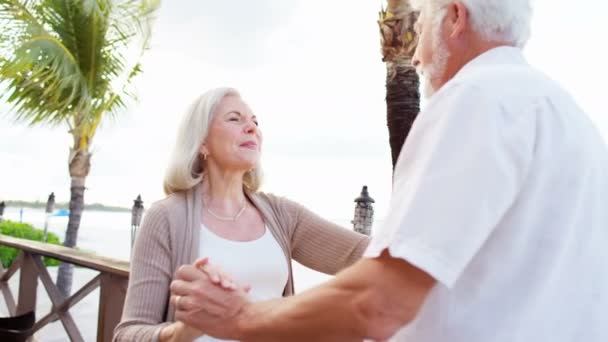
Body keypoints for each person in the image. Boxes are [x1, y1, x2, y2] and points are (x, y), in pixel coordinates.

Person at [169, 0, 608, 341]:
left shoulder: (474, 99)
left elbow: (378, 303)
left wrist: (241, 316)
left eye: (421, 27)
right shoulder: (576, 122)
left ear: (454, 18)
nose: (415, 57)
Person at [112, 87, 370, 341]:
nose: (252, 128)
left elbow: (369, 254)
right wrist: (181, 332)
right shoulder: (166, 217)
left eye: (255, 122)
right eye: (235, 119)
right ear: (201, 142)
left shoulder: (282, 214)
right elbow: (127, 334)